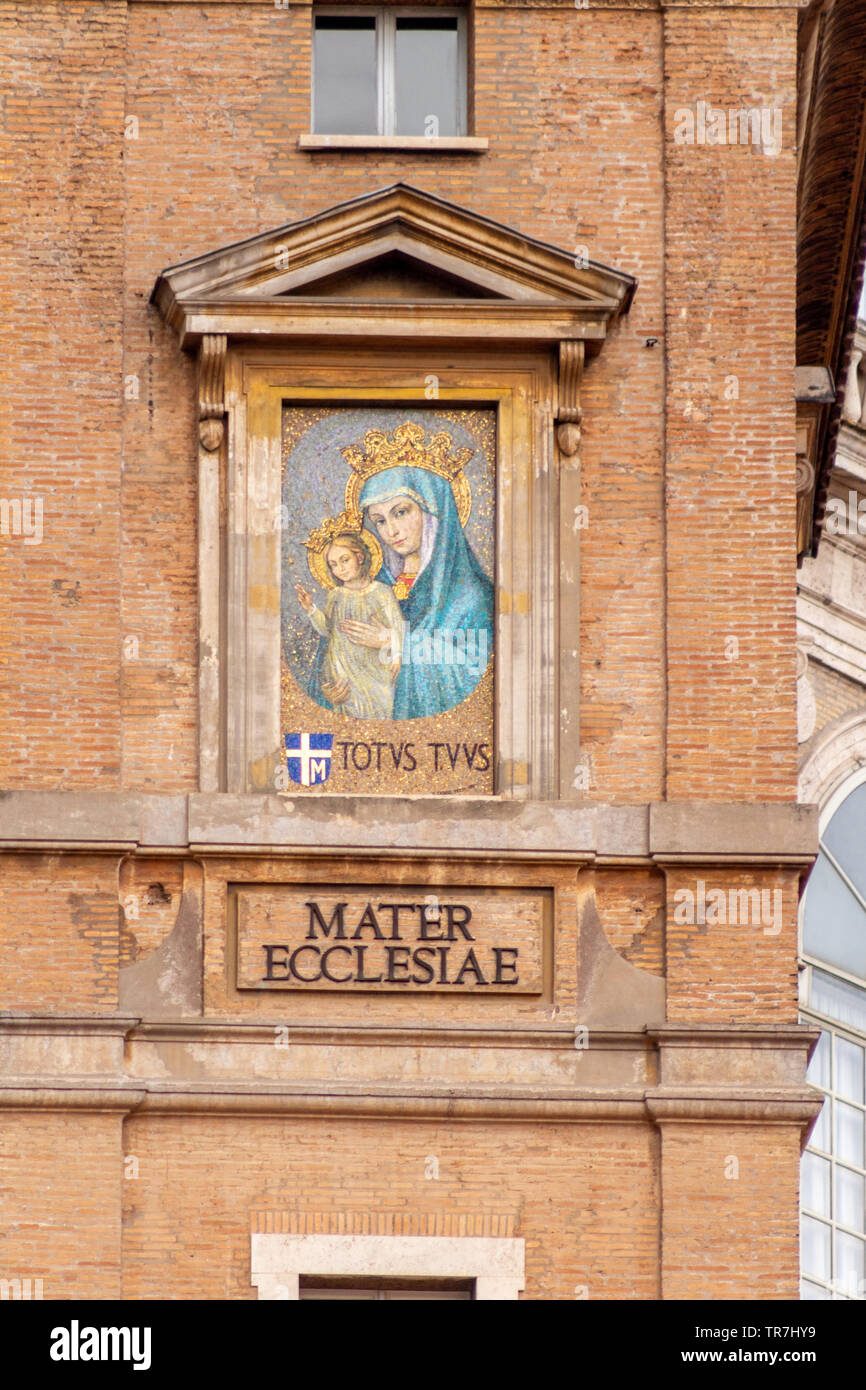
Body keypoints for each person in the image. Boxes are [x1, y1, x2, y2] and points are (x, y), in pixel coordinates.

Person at [347, 464, 493, 719]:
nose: (391, 531)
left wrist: (394, 641)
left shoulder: (471, 596)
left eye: (401, 512)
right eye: (380, 521)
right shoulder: (372, 587)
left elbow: (476, 674)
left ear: (432, 512)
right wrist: (340, 686)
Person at [295, 531, 403, 719]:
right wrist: (311, 609)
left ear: (359, 557)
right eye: (334, 565)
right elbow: (328, 629)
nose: (340, 569)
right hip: (345, 673)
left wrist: (397, 656)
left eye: (345, 560)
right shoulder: (335, 596)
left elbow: (398, 626)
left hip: (375, 672)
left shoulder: (381, 593)